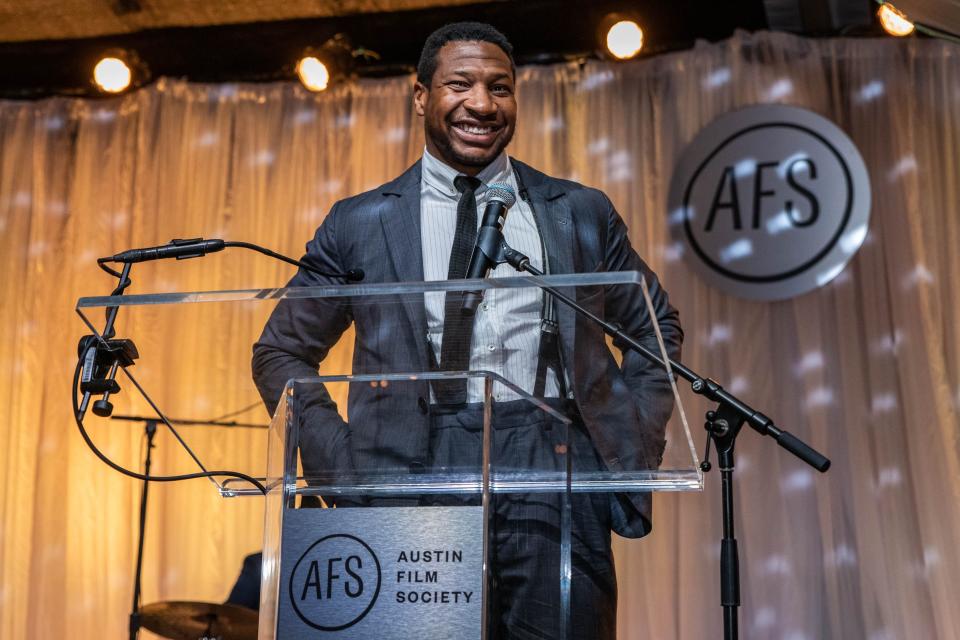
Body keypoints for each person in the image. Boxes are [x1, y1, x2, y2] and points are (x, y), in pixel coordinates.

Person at [252, 21, 682, 640]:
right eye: (460, 85)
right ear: (422, 95)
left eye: (499, 88)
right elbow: (281, 351)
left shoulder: (579, 211)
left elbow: (655, 329)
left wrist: (624, 445)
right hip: (407, 472)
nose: (481, 104)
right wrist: (341, 464)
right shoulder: (360, 222)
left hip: (554, 467)